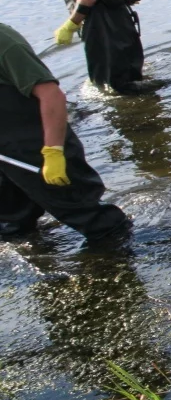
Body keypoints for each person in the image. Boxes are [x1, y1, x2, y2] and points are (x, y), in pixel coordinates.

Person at [0, 21, 132, 244]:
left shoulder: (4, 42)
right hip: (6, 157)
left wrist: (53, 152)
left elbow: (52, 96)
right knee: (13, 224)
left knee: (93, 219)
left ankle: (130, 256)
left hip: (37, 148)